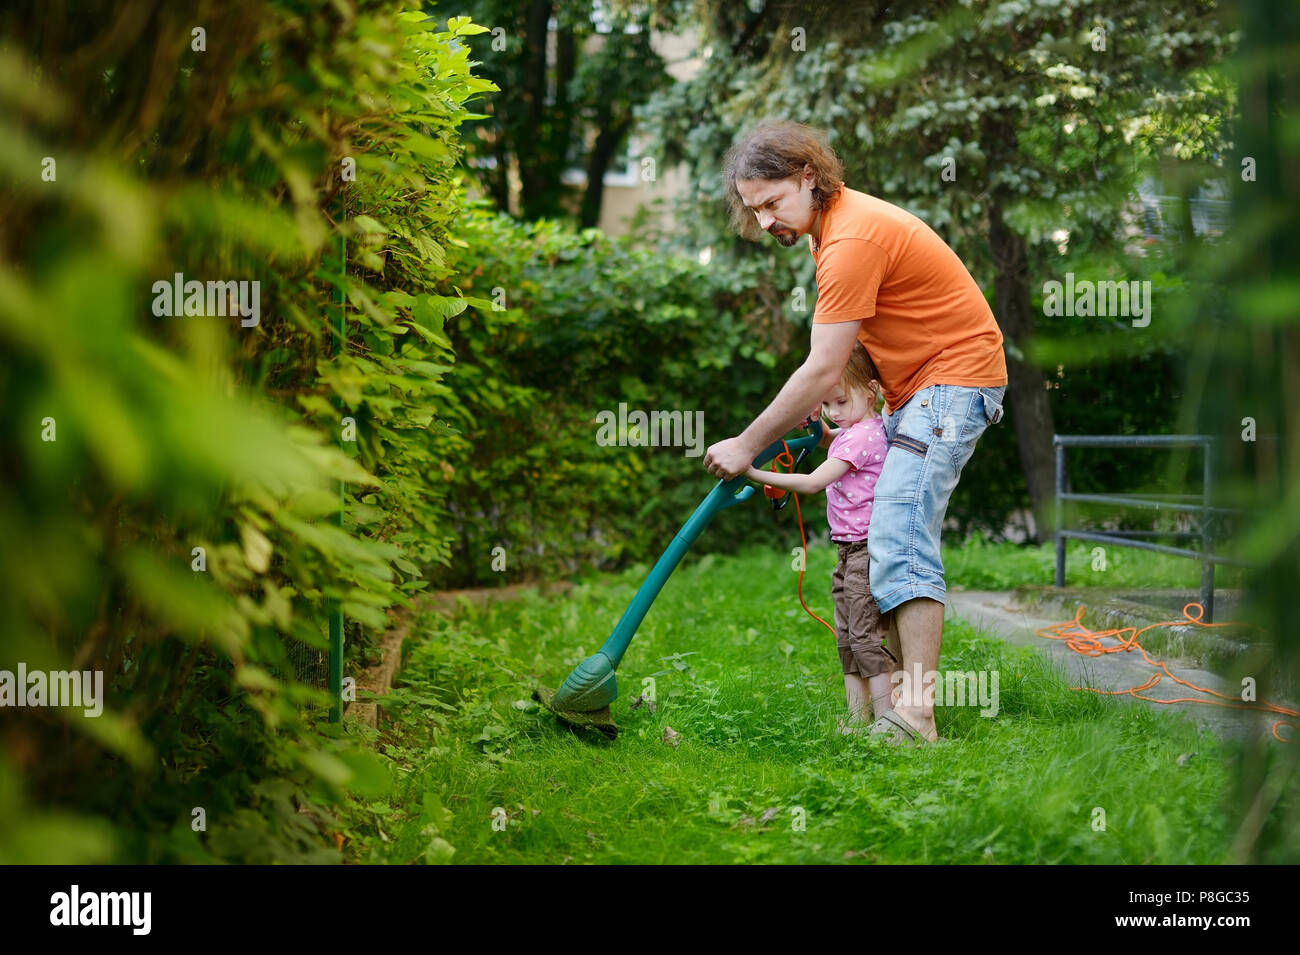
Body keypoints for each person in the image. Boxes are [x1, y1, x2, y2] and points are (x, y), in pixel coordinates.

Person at [703, 119, 1008, 745]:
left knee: (897, 536)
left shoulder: (850, 241)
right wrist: (841, 408)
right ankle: (897, 707)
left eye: (772, 202)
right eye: (753, 209)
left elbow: (819, 366)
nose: (764, 222)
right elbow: (847, 358)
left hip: (953, 384)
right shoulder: (830, 232)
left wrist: (748, 442)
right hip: (918, 390)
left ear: (808, 177)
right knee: (887, 540)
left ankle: (917, 715)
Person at [745, 343, 899, 732]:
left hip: (866, 550)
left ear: (872, 389)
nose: (832, 412)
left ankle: (886, 720)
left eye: (840, 402)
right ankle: (855, 718)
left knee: (864, 636)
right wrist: (822, 429)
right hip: (847, 550)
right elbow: (837, 440)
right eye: (826, 404)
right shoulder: (854, 430)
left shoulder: (866, 436)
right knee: (847, 637)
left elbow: (813, 482)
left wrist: (753, 471)